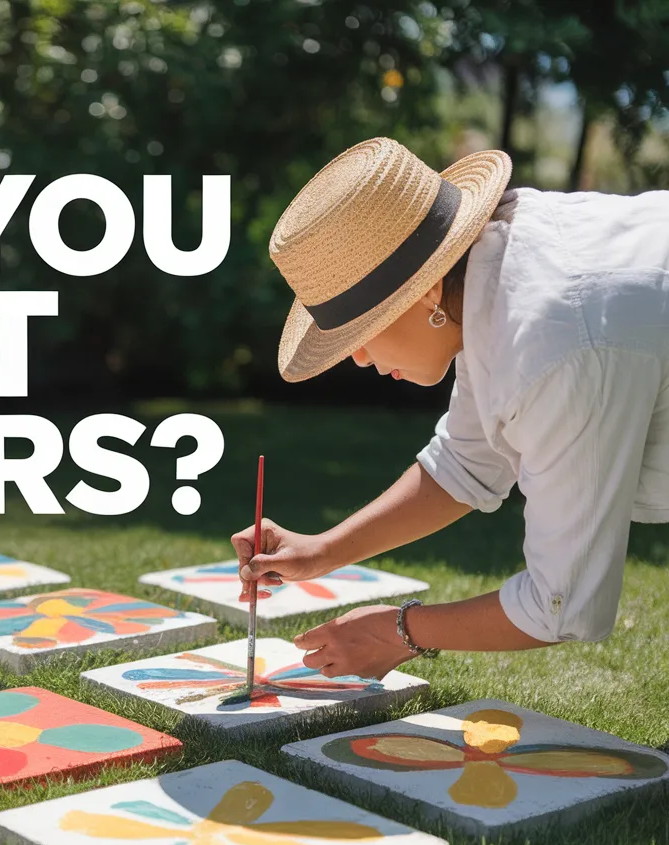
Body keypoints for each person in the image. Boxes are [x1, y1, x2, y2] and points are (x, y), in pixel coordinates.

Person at [232, 137, 669, 680]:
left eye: (362, 331)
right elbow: (466, 465)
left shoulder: (550, 343)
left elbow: (564, 603)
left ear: (424, 294)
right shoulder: (493, 276)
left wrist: (398, 631)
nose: (360, 358)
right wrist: (320, 552)